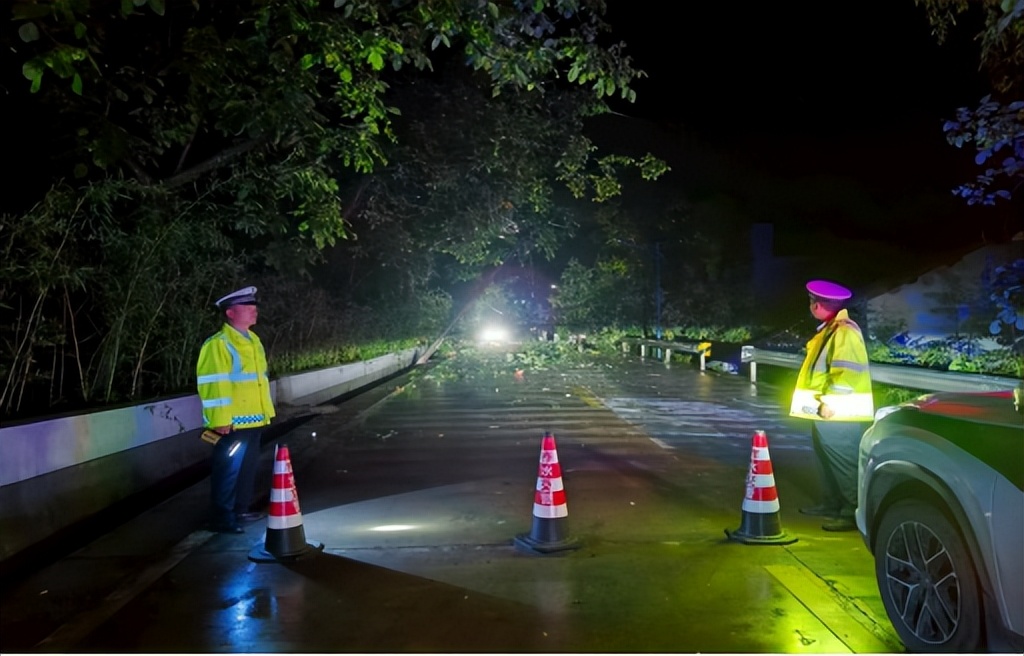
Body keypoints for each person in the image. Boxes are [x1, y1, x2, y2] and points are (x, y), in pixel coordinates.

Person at [789, 279, 874, 532]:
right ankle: (831, 503)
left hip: (838, 412)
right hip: (823, 410)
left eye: (813, 302)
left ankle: (851, 512)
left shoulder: (844, 331)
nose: (811, 306)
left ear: (822, 305)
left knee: (843, 462)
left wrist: (829, 402)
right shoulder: (829, 329)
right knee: (826, 459)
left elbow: (846, 374)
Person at [196, 286, 276, 533]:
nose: (254, 311)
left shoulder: (253, 341)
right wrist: (220, 419)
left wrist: (266, 412)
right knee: (228, 471)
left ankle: (240, 510)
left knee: (247, 468)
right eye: (248, 307)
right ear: (230, 313)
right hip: (231, 423)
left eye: (254, 307)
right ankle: (222, 518)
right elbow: (214, 386)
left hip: (253, 419)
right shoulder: (218, 345)